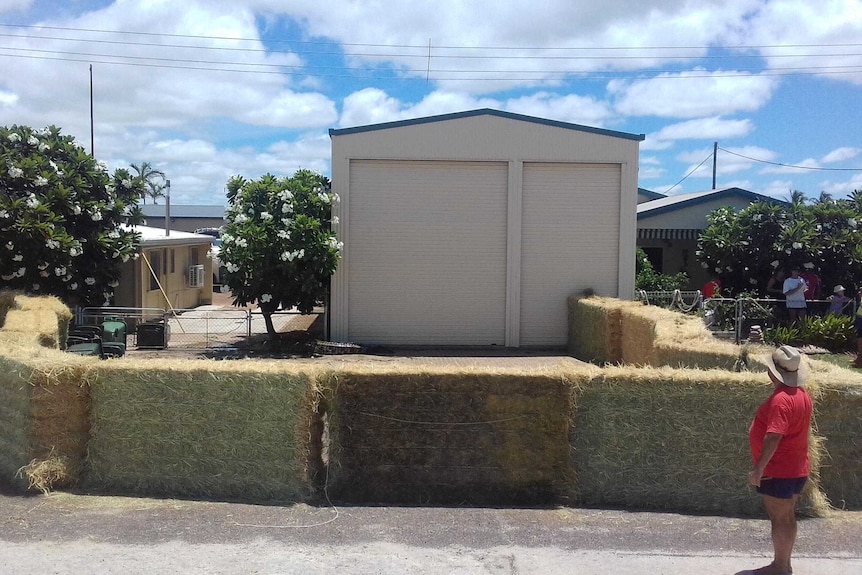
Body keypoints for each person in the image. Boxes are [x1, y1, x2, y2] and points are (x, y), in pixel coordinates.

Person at [747, 345, 813, 575]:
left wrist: (758, 469)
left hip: (778, 471)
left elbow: (774, 436)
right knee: (786, 517)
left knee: (779, 519)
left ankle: (780, 567)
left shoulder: (781, 400)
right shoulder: (802, 395)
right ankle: (784, 564)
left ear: (772, 373)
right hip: (796, 469)